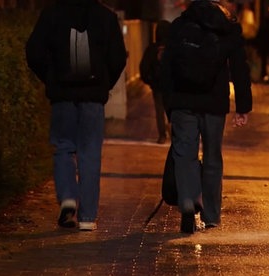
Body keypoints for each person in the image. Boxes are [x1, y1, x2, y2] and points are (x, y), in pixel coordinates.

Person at [25, 0, 127, 231]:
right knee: (90, 153)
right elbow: (118, 58)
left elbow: (34, 53)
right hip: (93, 98)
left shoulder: (52, 14)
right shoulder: (106, 17)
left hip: (63, 96)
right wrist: (102, 84)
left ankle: (68, 197)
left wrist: (51, 78)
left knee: (63, 146)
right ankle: (88, 218)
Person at [161, 0, 252, 233]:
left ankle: (188, 202)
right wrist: (243, 105)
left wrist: (169, 104)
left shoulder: (180, 25)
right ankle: (211, 215)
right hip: (214, 103)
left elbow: (167, 66)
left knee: (185, 154)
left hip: (183, 101)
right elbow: (240, 67)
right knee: (212, 156)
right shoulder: (227, 28)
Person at [139, 20, 171, 144]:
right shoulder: (173, 47)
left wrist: (149, 81)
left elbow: (144, 67)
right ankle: (172, 129)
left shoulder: (151, 49)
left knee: (159, 110)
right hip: (171, 86)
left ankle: (162, 135)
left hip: (157, 86)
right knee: (171, 109)